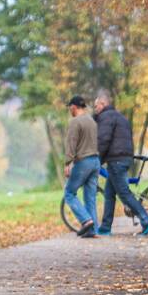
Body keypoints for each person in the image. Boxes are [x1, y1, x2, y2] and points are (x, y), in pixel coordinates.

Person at [94, 90, 148, 236]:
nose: (95, 109)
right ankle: (105, 228)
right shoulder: (120, 117)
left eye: (96, 106)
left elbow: (103, 140)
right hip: (124, 158)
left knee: (124, 193)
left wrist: (97, 159)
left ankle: (146, 220)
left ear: (103, 104)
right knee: (109, 194)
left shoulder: (106, 117)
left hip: (116, 161)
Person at [62, 95, 100, 238]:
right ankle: (93, 231)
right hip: (95, 161)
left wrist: (67, 162)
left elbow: (71, 143)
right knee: (90, 197)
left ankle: (86, 220)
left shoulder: (75, 122)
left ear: (74, 107)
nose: (69, 110)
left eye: (69, 107)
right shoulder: (92, 121)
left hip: (83, 162)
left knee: (69, 193)